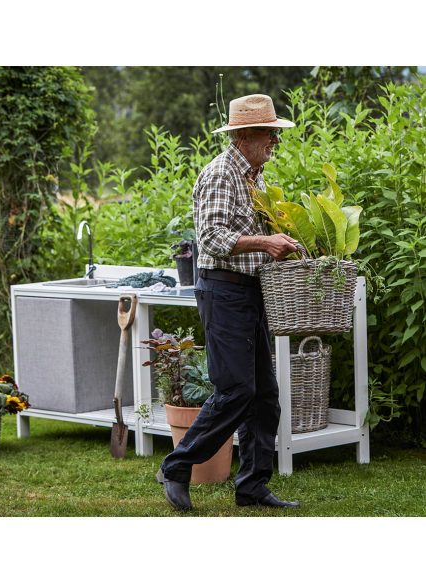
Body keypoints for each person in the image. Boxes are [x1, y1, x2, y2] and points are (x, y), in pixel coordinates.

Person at [157, 94, 301, 510]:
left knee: (264, 396)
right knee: (236, 389)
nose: (275, 140)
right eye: (270, 133)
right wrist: (265, 241)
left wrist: (285, 242)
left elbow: (251, 240)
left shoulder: (254, 178)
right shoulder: (221, 173)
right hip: (223, 291)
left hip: (249, 290)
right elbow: (213, 240)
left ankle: (252, 487)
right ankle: (178, 465)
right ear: (245, 135)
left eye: (276, 133)